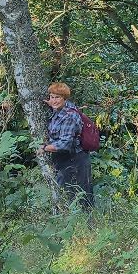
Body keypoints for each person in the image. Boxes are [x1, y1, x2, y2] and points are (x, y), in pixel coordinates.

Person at [42, 81, 94, 209]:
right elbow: (56, 108)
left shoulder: (69, 116)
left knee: (82, 195)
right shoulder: (60, 109)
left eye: (58, 97)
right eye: (52, 97)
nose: (54, 100)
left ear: (65, 98)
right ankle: (74, 224)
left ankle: (90, 226)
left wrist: (44, 148)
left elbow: (65, 144)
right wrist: (52, 104)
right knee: (68, 194)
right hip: (65, 159)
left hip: (75, 159)